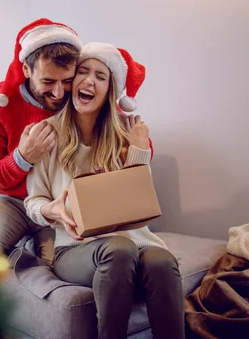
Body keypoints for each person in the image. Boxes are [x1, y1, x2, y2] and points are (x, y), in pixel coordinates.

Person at [24, 42, 184, 339]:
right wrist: (51, 209)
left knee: (161, 260)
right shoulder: (46, 134)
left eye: (100, 76)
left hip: (133, 241)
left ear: (110, 90)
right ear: (72, 83)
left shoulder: (126, 135)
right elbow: (33, 201)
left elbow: (139, 202)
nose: (89, 80)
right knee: (118, 250)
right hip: (74, 249)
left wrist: (137, 150)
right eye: (83, 71)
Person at [0, 18, 82, 261]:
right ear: (26, 69)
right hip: (13, 204)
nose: (58, 93)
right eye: (47, 81)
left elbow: (123, 135)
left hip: (61, 204)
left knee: (58, 268)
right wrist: (22, 159)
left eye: (67, 81)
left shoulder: (81, 97)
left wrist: (138, 144)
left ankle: (32, 249)